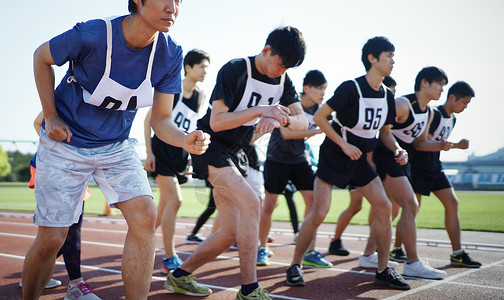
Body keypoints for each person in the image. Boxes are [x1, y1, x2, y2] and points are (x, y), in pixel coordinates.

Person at [22, 1, 210, 299]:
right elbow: (41, 57)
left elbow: (161, 120)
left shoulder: (170, 53)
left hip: (116, 146)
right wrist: (51, 114)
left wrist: (184, 139)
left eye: (178, 0)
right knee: (52, 239)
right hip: (66, 144)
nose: (172, 7)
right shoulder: (92, 34)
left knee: (145, 215)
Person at [164, 26, 308, 300]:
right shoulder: (235, 69)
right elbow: (218, 121)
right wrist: (261, 111)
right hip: (210, 146)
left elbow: (302, 121)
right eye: (281, 63)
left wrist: (281, 118)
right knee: (253, 202)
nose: (283, 70)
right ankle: (249, 290)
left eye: (289, 67)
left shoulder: (283, 81)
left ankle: (180, 276)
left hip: (238, 152)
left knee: (229, 232)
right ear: (267, 51)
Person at [286, 36, 411, 290]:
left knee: (384, 206)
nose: (393, 61)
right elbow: (321, 117)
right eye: (388, 56)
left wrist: (398, 149)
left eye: (393, 56)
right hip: (335, 154)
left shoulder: (387, 96)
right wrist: (343, 144)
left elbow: (385, 132)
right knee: (319, 212)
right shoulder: (350, 88)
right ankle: (295, 265)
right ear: (372, 59)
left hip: (359, 159)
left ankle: (384, 269)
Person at [369, 66, 449, 280]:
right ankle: (412, 262)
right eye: (440, 84)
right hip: (386, 155)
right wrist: (392, 151)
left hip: (403, 159)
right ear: (424, 83)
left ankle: (368, 254)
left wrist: (442, 145)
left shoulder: (430, 113)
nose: (442, 89)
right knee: (410, 204)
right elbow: (381, 131)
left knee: (391, 208)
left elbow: (420, 143)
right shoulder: (403, 104)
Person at [144, 49, 210, 273]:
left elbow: (192, 126)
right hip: (162, 149)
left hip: (180, 153)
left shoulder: (200, 95)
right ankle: (170, 257)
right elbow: (149, 120)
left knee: (165, 206)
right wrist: (149, 152)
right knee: (175, 200)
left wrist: (191, 158)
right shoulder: (172, 88)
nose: (205, 71)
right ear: (188, 67)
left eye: (207, 67)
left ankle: (141, 239)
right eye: (201, 66)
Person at [21, 112, 100, 300]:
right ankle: (75, 284)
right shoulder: (73, 91)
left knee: (62, 232)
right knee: (66, 229)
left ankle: (34, 272)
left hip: (79, 165)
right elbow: (39, 121)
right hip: (57, 165)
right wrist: (54, 147)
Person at [257, 70, 328, 268]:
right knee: (270, 204)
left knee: (313, 202)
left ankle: (309, 250)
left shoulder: (319, 109)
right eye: (319, 88)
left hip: (300, 160)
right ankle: (262, 248)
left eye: (325, 89)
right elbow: (287, 133)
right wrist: (316, 131)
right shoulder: (290, 104)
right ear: (307, 89)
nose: (323, 93)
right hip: (276, 159)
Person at [411, 81, 481, 268]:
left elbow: (441, 143)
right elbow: (421, 142)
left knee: (452, 202)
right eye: (464, 102)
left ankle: (457, 252)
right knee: (412, 209)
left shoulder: (453, 119)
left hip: (435, 166)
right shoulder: (432, 114)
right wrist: (454, 145)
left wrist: (457, 145)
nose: (465, 107)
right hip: (418, 165)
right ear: (452, 97)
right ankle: (396, 248)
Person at [329, 76, 399, 256]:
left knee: (384, 205)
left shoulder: (387, 109)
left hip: (377, 165)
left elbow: (384, 134)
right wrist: (369, 163)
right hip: (360, 162)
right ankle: (336, 240)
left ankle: (374, 245)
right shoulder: (364, 101)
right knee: (357, 205)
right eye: (391, 91)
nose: (392, 95)